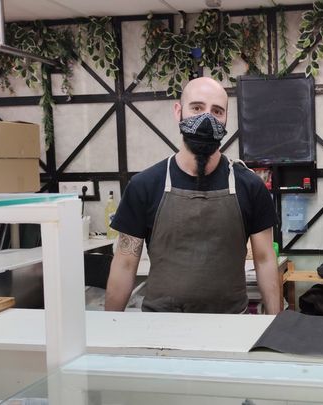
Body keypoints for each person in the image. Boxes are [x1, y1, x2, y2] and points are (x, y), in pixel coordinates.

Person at [105, 77, 281, 314]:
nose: (207, 119)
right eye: (197, 108)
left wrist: (275, 324)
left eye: (217, 111)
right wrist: (110, 327)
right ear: (178, 111)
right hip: (160, 325)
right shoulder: (144, 186)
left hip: (230, 323)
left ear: (226, 118)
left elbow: (265, 260)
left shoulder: (250, 186)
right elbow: (125, 264)